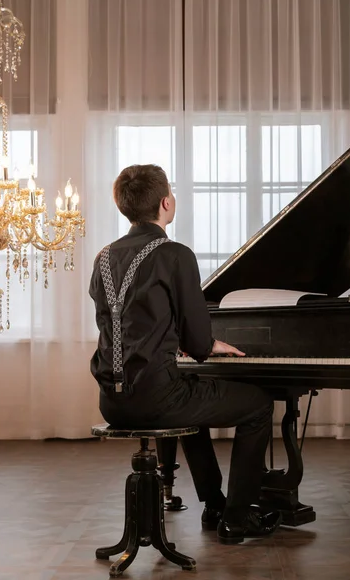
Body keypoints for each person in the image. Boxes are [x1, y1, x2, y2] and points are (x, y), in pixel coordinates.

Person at [89, 164, 281, 544]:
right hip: (157, 401)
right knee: (258, 405)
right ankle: (237, 519)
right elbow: (197, 342)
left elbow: (121, 323)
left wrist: (167, 338)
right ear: (165, 202)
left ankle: (213, 504)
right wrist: (210, 344)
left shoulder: (103, 257)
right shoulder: (175, 254)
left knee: (192, 397)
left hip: (111, 401)